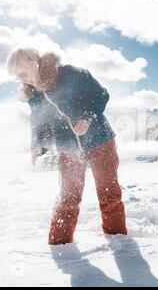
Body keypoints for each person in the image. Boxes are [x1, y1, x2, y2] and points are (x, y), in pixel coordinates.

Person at [7, 48, 127, 245]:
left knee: (109, 194)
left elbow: (101, 95)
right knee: (68, 197)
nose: (21, 80)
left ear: (33, 64)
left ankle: (119, 242)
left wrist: (87, 118)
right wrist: (38, 144)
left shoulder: (71, 74)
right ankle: (59, 246)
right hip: (68, 148)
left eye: (22, 74)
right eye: (17, 77)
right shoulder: (34, 94)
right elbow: (39, 121)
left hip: (100, 141)